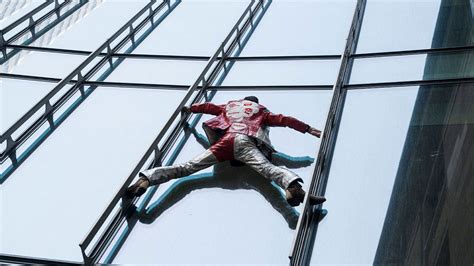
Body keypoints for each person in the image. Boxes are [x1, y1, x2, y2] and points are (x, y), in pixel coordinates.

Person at [126, 96, 326, 207]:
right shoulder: (261, 112)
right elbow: (285, 120)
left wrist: (189, 108)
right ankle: (293, 188)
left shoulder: (229, 106)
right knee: (269, 170)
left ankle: (146, 179)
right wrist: (309, 129)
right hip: (244, 141)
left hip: (226, 141)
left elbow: (209, 107)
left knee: (186, 168)